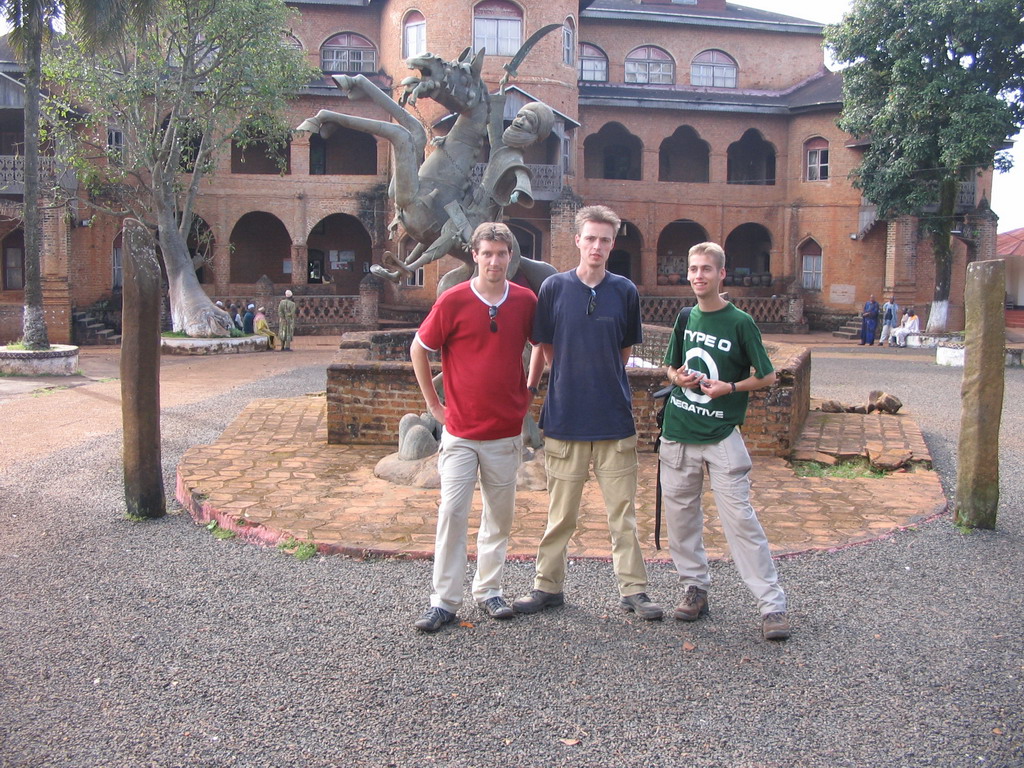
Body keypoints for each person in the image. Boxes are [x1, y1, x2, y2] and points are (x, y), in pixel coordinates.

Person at [513, 205, 663, 621]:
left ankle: (633, 590)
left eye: (604, 239)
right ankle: (548, 586)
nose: (596, 246)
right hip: (565, 415)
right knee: (561, 513)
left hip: (613, 416)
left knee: (623, 513)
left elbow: (624, 351)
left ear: (612, 244)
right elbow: (544, 348)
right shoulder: (555, 289)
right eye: (590, 238)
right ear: (577, 240)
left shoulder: (625, 291)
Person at [409, 222, 541, 633]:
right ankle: (444, 600)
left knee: (499, 517)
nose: (495, 261)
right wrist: (434, 404)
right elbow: (419, 347)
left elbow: (540, 346)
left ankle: (489, 590)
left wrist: (530, 390)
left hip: (504, 432)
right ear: (475, 255)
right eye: (488, 253)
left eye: (502, 254)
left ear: (510, 257)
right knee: (452, 512)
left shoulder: (524, 301)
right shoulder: (453, 301)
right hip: (462, 432)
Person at [660, 241, 790, 641]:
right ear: (688, 274)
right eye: (693, 269)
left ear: (721, 274)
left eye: (706, 269)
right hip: (679, 432)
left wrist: (730, 387)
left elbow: (768, 376)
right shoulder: (685, 317)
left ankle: (771, 605)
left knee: (740, 521)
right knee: (681, 519)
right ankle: (694, 586)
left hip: (721, 435)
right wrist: (677, 378)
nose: (699, 276)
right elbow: (669, 366)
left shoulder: (740, 322)